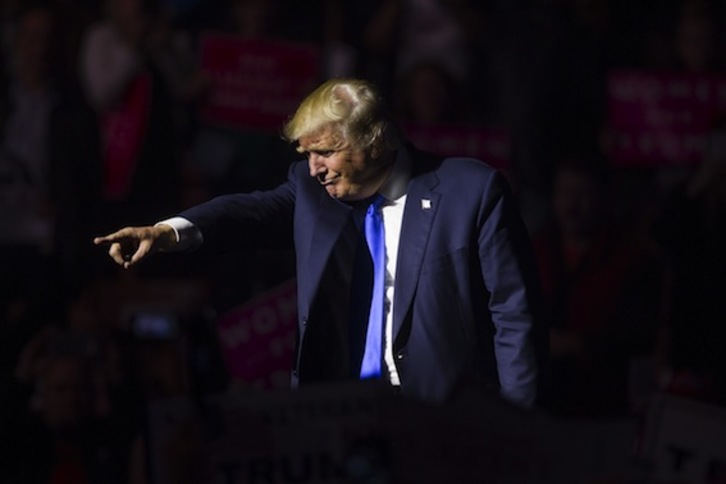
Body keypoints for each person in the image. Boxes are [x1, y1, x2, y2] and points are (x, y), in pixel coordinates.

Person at [94, 78, 547, 408]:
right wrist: (166, 231)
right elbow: (246, 214)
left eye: (325, 152)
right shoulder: (312, 193)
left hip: (448, 418)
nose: (314, 168)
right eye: (307, 154)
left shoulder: (471, 191)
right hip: (341, 418)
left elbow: (515, 315)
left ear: (375, 141)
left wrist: (520, 425)